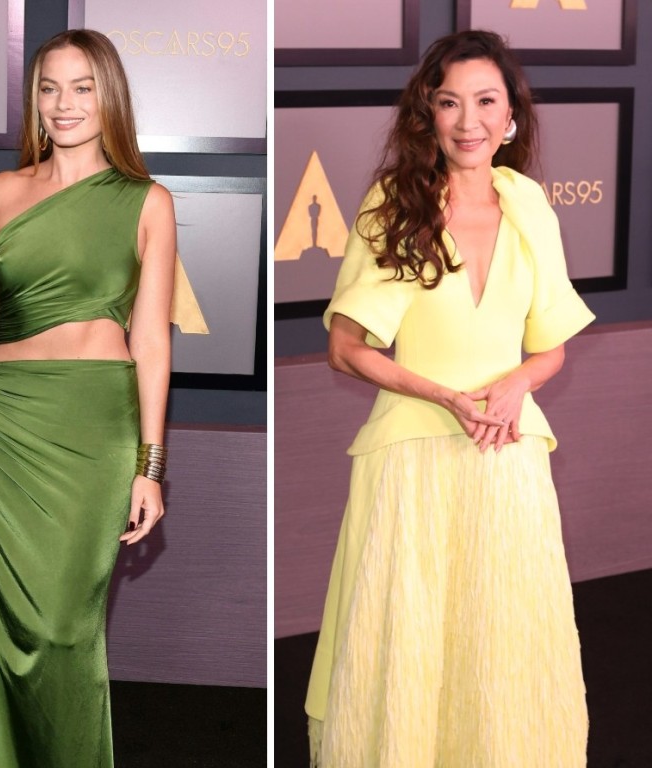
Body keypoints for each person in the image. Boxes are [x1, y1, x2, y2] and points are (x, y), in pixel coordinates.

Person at [305, 30, 594, 767]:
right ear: (427, 116)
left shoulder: (529, 205)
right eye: (450, 103)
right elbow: (347, 346)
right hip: (415, 459)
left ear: (512, 118)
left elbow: (551, 343)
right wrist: (445, 396)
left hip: (508, 455)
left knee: (503, 641)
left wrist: (514, 384)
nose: (469, 121)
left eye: (486, 102)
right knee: (411, 646)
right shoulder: (396, 203)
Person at [0, 29, 175, 767]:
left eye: (81, 87)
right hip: (1, 425)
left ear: (109, 98)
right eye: (49, 87)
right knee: (1, 626)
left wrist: (150, 465)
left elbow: (154, 342)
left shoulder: (147, 201)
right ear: (35, 101)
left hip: (94, 430)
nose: (64, 103)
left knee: (67, 629)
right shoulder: (1, 193)